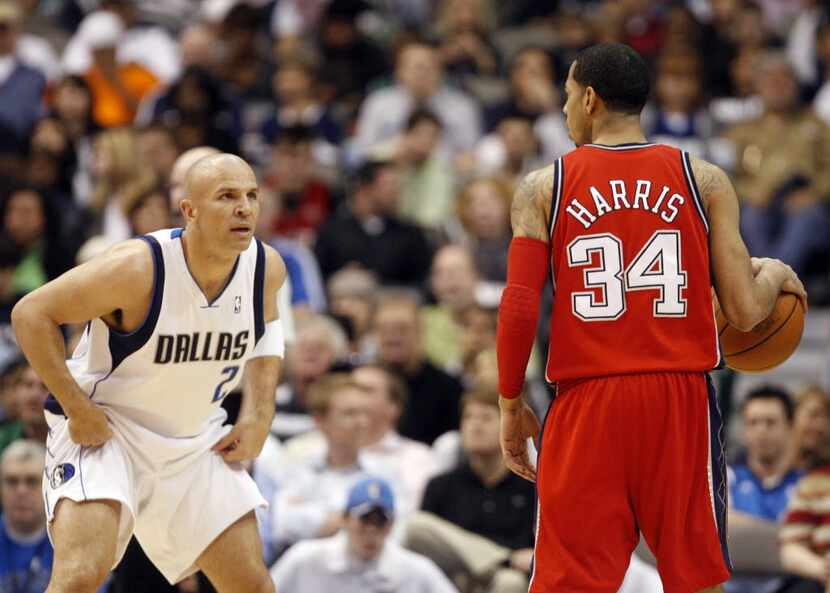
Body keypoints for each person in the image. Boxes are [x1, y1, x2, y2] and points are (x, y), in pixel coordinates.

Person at [496, 43, 806, 593]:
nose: (565, 110)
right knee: (695, 581)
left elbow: (519, 306)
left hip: (586, 401)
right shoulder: (703, 178)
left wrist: (510, 402)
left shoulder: (544, 186)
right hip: (677, 399)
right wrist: (778, 272)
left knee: (568, 584)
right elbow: (745, 311)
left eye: (567, 97)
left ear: (589, 99)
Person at [11, 153, 287, 593]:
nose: (244, 208)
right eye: (227, 196)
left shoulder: (265, 268)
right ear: (190, 210)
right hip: (109, 431)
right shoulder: (138, 268)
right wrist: (76, 408)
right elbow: (31, 314)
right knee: (80, 577)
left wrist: (260, 412)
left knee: (252, 585)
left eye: (252, 196)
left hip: (193, 441)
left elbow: (267, 329)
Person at [406, 389, 535, 593]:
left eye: (486, 418)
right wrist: (508, 557)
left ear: (511, 428)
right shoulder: (441, 485)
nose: (475, 425)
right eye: (468, 417)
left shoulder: (531, 488)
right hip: (451, 579)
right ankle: (501, 558)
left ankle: (500, 563)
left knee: (510, 583)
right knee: (416, 526)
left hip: (506, 580)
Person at [270, 476, 459, 593]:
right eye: (364, 520)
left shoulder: (416, 571)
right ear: (344, 519)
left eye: (380, 522)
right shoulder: (306, 559)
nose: (371, 530)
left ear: (391, 526)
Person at [727, 386, 803, 593]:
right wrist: (785, 534)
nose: (761, 430)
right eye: (753, 422)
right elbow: (719, 527)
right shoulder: (724, 478)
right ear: (743, 430)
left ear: (790, 427)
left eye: (770, 422)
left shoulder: (807, 483)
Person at [0, 439, 52, 592]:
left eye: (32, 481)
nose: (21, 491)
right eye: (11, 481)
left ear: (49, 487)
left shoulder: (72, 546)